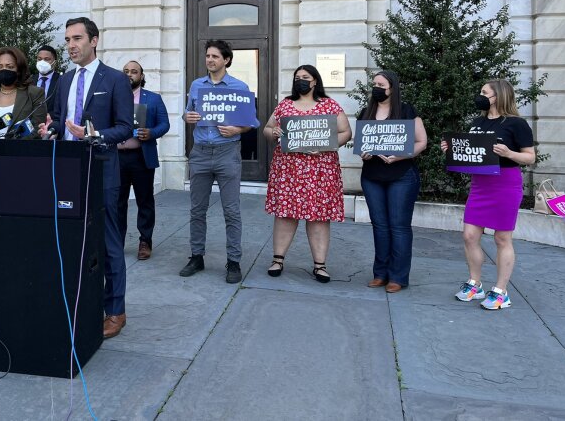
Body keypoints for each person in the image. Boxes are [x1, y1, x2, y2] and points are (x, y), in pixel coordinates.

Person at [42, 17, 133, 339]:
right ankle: (78, 301)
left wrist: (94, 134)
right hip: (68, 171)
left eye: (77, 38)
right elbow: (57, 120)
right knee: (71, 241)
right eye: (67, 40)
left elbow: (125, 127)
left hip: (102, 171)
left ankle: (115, 311)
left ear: (94, 41)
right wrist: (49, 130)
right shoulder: (63, 80)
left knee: (108, 244)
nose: (70, 45)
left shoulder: (116, 80)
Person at [441, 79, 535, 310]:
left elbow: (529, 157)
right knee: (469, 236)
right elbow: (473, 152)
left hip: (505, 184)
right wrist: (452, 150)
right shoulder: (477, 121)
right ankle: (475, 283)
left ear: (498, 96)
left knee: (502, 238)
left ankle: (501, 291)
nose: (480, 95)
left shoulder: (516, 124)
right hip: (480, 185)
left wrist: (509, 152)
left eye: (484, 92)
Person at [262, 65, 351, 282]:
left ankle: (320, 265)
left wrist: (327, 144)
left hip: (320, 170)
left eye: (305, 77)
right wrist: (272, 132)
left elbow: (346, 132)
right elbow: (267, 129)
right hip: (289, 170)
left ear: (315, 81)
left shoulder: (329, 105)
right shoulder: (285, 105)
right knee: (285, 214)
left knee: (319, 216)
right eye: (297, 77)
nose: (300, 80)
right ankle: (277, 259)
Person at [180, 40, 258, 284]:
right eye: (207, 56)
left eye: (215, 56)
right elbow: (187, 112)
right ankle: (196, 256)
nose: (210, 60)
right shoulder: (196, 86)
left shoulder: (239, 86)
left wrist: (236, 129)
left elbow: (252, 122)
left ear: (226, 60)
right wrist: (187, 116)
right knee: (197, 209)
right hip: (201, 151)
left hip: (227, 152)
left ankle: (233, 261)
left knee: (232, 210)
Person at [357, 70, 427, 292]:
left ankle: (398, 276)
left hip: (402, 175)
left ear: (392, 88)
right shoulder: (365, 112)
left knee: (398, 226)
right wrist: (364, 154)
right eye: (374, 84)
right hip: (372, 176)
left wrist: (402, 154)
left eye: (381, 84)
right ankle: (380, 273)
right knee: (379, 226)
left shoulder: (406, 111)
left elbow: (421, 141)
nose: (376, 87)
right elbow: (362, 144)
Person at [0, 48, 48, 214]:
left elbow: (36, 128)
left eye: (9, 66)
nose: (4, 70)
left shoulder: (35, 93)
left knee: (17, 221)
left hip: (21, 168)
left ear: (19, 68)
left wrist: (5, 158)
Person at [117, 61, 170, 260]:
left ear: (141, 75)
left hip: (141, 157)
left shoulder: (153, 99)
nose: (129, 74)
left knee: (144, 201)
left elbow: (165, 124)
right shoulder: (114, 97)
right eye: (126, 71)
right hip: (117, 157)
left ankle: (145, 242)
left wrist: (152, 133)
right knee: (117, 202)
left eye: (134, 71)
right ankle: (116, 243)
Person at [34, 45, 62, 116]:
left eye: (47, 59)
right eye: (39, 59)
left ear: (54, 62)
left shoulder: (62, 80)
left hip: (52, 124)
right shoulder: (29, 81)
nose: (42, 62)